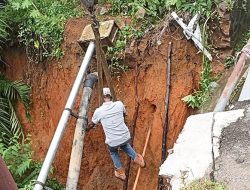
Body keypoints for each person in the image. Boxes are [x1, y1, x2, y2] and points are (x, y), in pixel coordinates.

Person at [87, 87, 146, 181]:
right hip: (125, 136)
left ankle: (120, 173)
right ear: (111, 96)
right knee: (124, 144)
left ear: (102, 98)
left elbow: (91, 124)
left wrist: (85, 129)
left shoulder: (99, 111)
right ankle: (138, 160)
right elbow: (123, 114)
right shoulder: (119, 104)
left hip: (113, 141)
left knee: (113, 151)